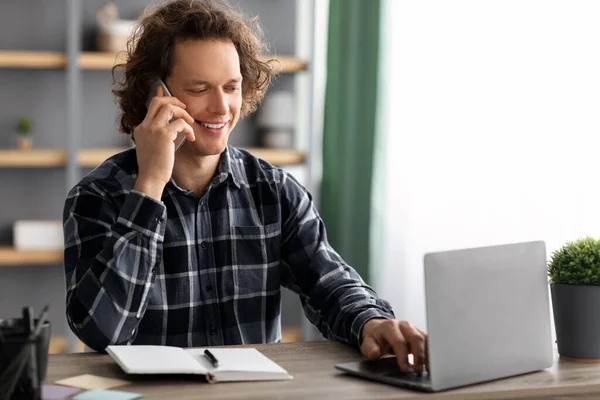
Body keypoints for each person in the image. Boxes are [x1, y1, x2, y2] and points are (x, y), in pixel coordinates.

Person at [62, 0, 427, 373]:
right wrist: (150, 185)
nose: (222, 108)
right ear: (155, 94)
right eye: (200, 88)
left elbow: (329, 282)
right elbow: (102, 330)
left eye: (232, 87)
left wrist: (372, 321)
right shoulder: (97, 197)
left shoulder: (274, 190)